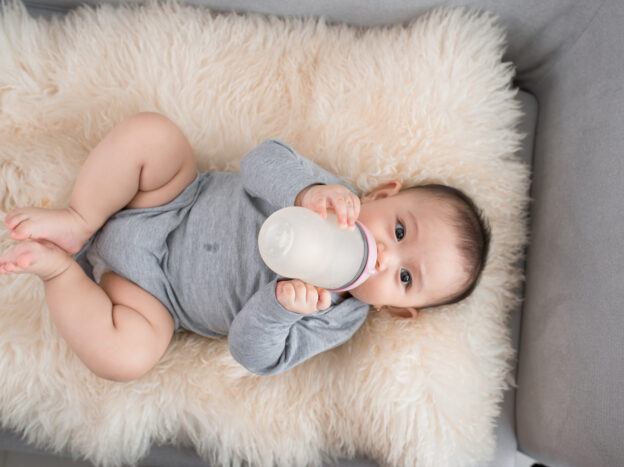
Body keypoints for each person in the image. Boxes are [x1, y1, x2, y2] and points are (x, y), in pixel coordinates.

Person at [0, 112, 490, 381]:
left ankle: (58, 273)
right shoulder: (331, 197)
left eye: (405, 278)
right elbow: (260, 161)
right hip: (170, 202)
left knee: (128, 356)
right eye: (400, 231)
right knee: (156, 137)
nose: (385, 254)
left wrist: (280, 308)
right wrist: (304, 194)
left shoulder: (335, 318)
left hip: (152, 295)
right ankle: (80, 218)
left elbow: (253, 356)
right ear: (382, 195)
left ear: (394, 309)